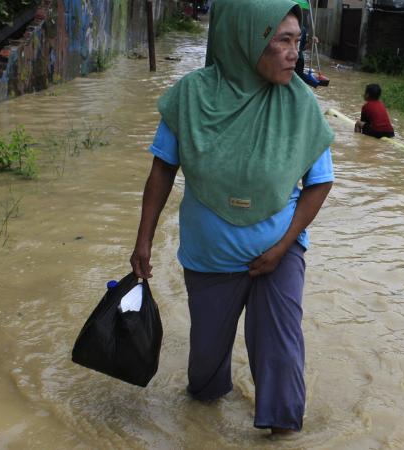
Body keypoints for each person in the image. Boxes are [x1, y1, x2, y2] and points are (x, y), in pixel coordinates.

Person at [130, 0, 334, 434]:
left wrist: (282, 247)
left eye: (298, 41)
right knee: (205, 374)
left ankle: (283, 432)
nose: (293, 53)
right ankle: (201, 429)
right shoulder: (191, 97)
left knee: (280, 350)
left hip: (278, 254)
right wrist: (143, 239)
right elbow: (163, 168)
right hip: (209, 256)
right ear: (247, 38)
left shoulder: (300, 105)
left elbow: (319, 183)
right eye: (282, 40)